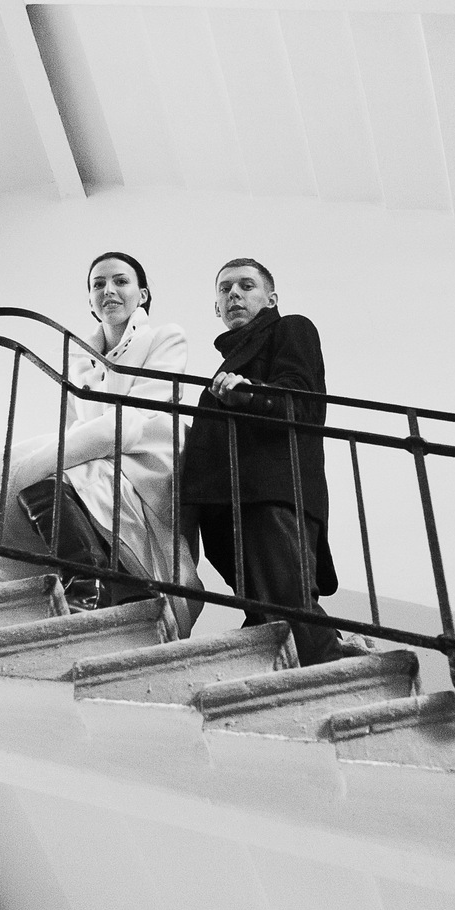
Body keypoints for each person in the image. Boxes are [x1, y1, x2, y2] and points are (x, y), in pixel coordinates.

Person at [0, 251, 199, 628]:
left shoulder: (164, 337)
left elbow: (136, 416)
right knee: (37, 484)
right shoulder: (79, 358)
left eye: (121, 281)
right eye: (98, 284)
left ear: (142, 294)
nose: (109, 290)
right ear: (90, 300)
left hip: (144, 460)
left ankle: (93, 589)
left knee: (39, 477)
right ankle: (89, 587)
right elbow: (76, 423)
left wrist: (45, 458)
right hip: (97, 454)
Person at [181, 257, 360, 667]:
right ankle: (307, 663)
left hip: (272, 493)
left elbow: (303, 402)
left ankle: (334, 672)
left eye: (246, 286)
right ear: (216, 307)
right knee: (267, 611)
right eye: (225, 289)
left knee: (286, 602)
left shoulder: (291, 328)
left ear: (271, 299)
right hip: (228, 504)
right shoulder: (225, 369)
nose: (234, 294)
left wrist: (251, 394)